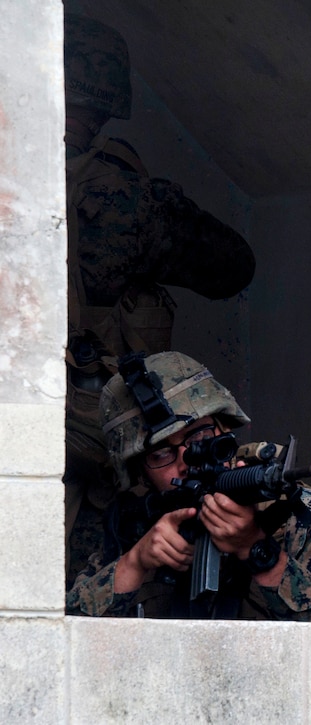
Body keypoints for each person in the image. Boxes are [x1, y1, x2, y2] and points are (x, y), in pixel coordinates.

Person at [63, 13, 256, 587]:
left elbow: (231, 267)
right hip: (95, 445)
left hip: (103, 451)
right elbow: (231, 265)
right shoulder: (119, 193)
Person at [66, 351, 311, 622]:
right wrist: (136, 562)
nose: (186, 460)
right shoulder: (136, 527)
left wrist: (258, 551)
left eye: (199, 436)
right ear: (140, 473)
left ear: (224, 428)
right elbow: (62, 631)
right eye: (160, 453)